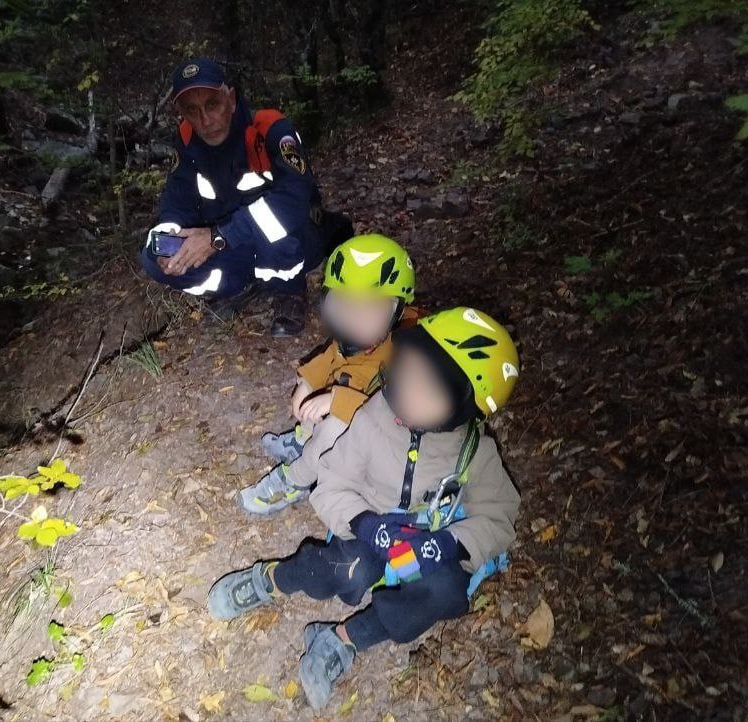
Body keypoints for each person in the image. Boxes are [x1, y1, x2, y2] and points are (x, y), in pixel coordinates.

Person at [207, 307, 522, 710]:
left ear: (466, 410)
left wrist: (449, 545)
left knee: (447, 591)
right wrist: (366, 523)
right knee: (351, 567)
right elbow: (332, 482)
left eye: (432, 389)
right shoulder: (373, 417)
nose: (410, 390)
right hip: (364, 524)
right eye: (410, 371)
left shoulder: (474, 452)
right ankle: (269, 580)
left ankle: (342, 642)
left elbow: (500, 517)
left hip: (424, 537)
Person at [140, 57, 333, 337]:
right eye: (193, 111)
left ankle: (288, 290)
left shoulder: (270, 129)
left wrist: (218, 236)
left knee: (276, 224)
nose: (205, 121)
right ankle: (239, 287)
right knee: (152, 256)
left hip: (294, 238)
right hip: (233, 244)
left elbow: (295, 201)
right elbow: (175, 200)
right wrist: (169, 239)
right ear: (181, 113)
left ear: (230, 99)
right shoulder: (186, 143)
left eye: (212, 104)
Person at [240, 234, 420, 514]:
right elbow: (331, 356)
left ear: (397, 309)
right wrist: (308, 380)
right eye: (344, 305)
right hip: (355, 421)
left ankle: (296, 480)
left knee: (334, 426)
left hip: (382, 445)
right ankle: (303, 440)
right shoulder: (359, 336)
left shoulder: (408, 352)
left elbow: (388, 414)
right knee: (321, 402)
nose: (355, 318)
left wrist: (335, 400)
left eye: (371, 308)